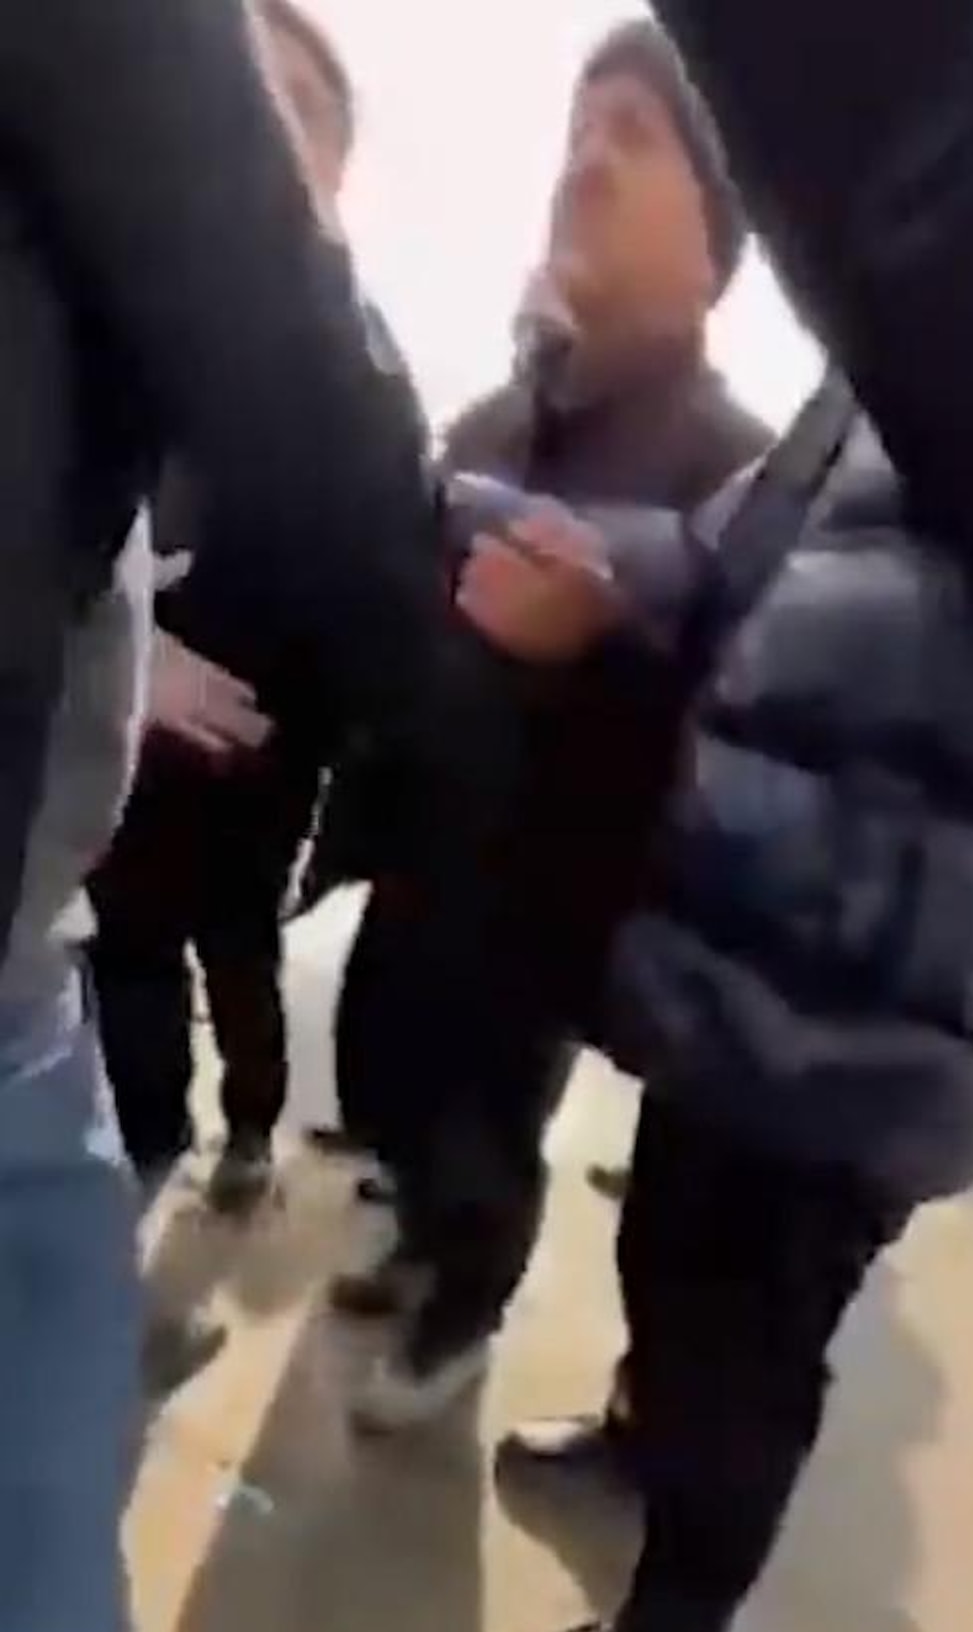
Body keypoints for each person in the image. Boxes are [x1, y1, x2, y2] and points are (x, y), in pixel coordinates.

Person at [448, 0, 973, 1632]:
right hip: (759, 935)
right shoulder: (869, 390)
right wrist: (592, 569)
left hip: (897, 998)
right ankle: (643, 1437)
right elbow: (728, 555)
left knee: (749, 1348)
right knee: (671, 1255)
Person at [0, 0, 512, 1632]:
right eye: (258, 114)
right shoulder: (171, 291)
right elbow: (343, 494)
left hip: (168, 873)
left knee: (199, 1051)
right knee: (45, 1457)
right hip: (55, 946)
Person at [322, 20, 773, 1432]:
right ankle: (417, 1246)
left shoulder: (738, 471)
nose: (585, 162)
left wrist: (611, 641)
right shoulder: (490, 423)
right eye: (579, 130)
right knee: (388, 1075)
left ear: (716, 245)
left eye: (633, 137)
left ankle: (463, 1312)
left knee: (483, 1134)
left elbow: (748, 721)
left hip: (550, 908)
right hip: (414, 859)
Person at [90, 0, 364, 1217]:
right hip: (120, 792)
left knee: (242, 969)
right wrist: (129, 650)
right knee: (133, 986)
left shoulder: (357, 390)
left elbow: (389, 639)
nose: (256, 134)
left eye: (295, 111)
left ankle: (252, 1129)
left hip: (262, 792)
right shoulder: (101, 327)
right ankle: (143, 1165)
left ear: (338, 175)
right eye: (241, 93)